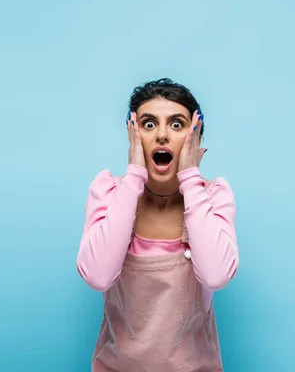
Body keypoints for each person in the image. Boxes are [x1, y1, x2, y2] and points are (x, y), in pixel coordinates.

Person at [76, 78, 239, 371]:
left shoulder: (213, 197)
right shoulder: (109, 192)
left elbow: (216, 276)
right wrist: (134, 176)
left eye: (177, 125)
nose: (162, 135)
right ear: (133, 136)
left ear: (196, 137)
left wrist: (190, 180)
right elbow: (98, 276)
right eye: (149, 124)